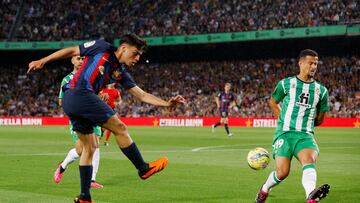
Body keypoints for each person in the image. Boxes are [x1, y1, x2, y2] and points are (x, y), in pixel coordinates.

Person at [28, 34, 185, 203]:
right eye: (135, 53)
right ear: (124, 48)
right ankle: (143, 168)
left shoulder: (120, 73)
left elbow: (142, 95)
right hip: (79, 93)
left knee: (90, 148)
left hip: (73, 101)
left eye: (140, 55)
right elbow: (73, 50)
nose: (138, 58)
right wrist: (43, 60)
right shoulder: (102, 47)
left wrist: (167, 104)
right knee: (120, 128)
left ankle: (84, 197)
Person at [255, 49, 330, 203]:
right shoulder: (286, 84)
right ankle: (264, 189)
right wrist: (282, 120)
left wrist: (306, 124)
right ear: (300, 63)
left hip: (305, 135)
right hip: (284, 134)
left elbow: (320, 119)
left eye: (316, 63)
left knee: (309, 160)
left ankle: (310, 196)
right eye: (310, 63)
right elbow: (272, 101)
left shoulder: (321, 91)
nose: (314, 66)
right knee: (282, 172)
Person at [54, 55, 103, 189]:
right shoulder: (67, 80)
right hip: (77, 117)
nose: (81, 61)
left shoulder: (90, 77)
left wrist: (100, 97)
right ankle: (63, 166)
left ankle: (92, 179)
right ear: (72, 61)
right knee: (81, 150)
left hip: (92, 116)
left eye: (83, 59)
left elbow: (96, 94)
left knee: (95, 144)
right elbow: (60, 101)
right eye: (78, 59)